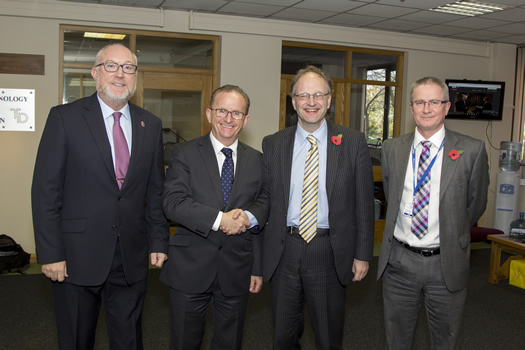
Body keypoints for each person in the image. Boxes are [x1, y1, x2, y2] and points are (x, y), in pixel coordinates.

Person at [31, 43, 169, 349]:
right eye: (111, 66)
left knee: (129, 340)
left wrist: (159, 239)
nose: (120, 74)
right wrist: (51, 253)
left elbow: (155, 190)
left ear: (135, 77)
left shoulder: (151, 124)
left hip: (130, 256)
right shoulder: (65, 118)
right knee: (77, 339)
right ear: (95, 73)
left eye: (128, 68)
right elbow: (45, 191)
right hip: (76, 256)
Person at [245, 65, 375, 349]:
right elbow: (265, 198)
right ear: (293, 102)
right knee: (283, 336)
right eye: (304, 95)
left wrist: (363, 253)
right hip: (284, 250)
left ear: (329, 99)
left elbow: (364, 203)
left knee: (328, 338)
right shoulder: (274, 143)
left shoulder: (353, 142)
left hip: (328, 250)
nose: (311, 102)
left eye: (318, 95)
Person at [377, 76, 489, 350]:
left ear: (447, 107)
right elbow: (392, 195)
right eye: (420, 102)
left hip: (446, 263)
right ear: (412, 107)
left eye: (434, 102)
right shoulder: (392, 149)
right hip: (399, 262)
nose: (427, 108)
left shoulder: (471, 150)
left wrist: (452, 230)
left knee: (445, 340)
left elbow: (476, 204)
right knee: (397, 341)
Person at [161, 85, 263, 350]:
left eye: (236, 113)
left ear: (246, 119)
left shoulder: (258, 161)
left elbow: (266, 203)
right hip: (190, 269)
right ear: (209, 114)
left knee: (230, 343)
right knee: (184, 342)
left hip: (237, 269)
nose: (228, 118)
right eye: (222, 111)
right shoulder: (185, 153)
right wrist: (221, 219)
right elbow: (173, 203)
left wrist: (248, 218)